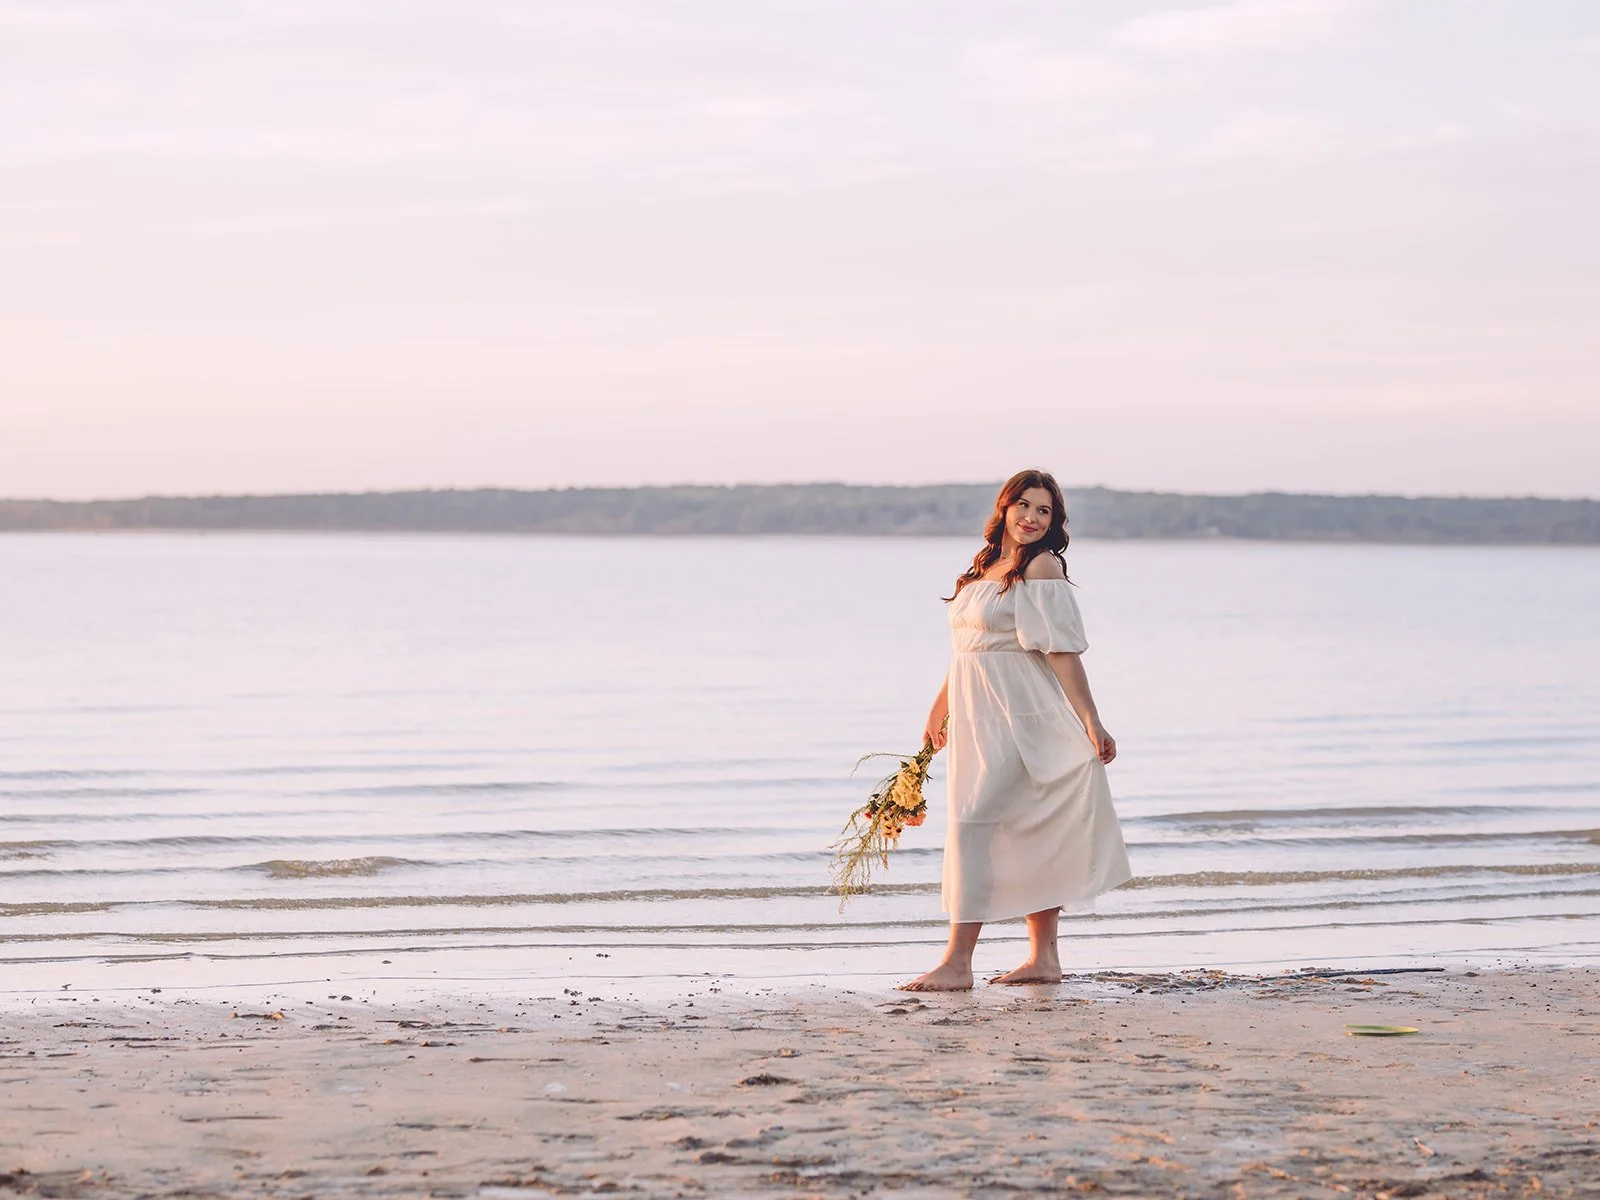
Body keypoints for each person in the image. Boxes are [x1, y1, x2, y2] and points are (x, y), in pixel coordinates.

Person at [901, 469, 1133, 991]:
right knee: (1024, 828)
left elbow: (1060, 651)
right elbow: (967, 649)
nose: (1031, 517)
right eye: (1024, 506)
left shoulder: (1041, 566)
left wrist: (1091, 720)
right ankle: (1044, 959)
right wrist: (939, 708)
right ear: (1004, 508)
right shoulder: (987, 565)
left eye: (1044, 511)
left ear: (1054, 522)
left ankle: (958, 962)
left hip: (1023, 718)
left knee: (972, 824)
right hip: (977, 715)